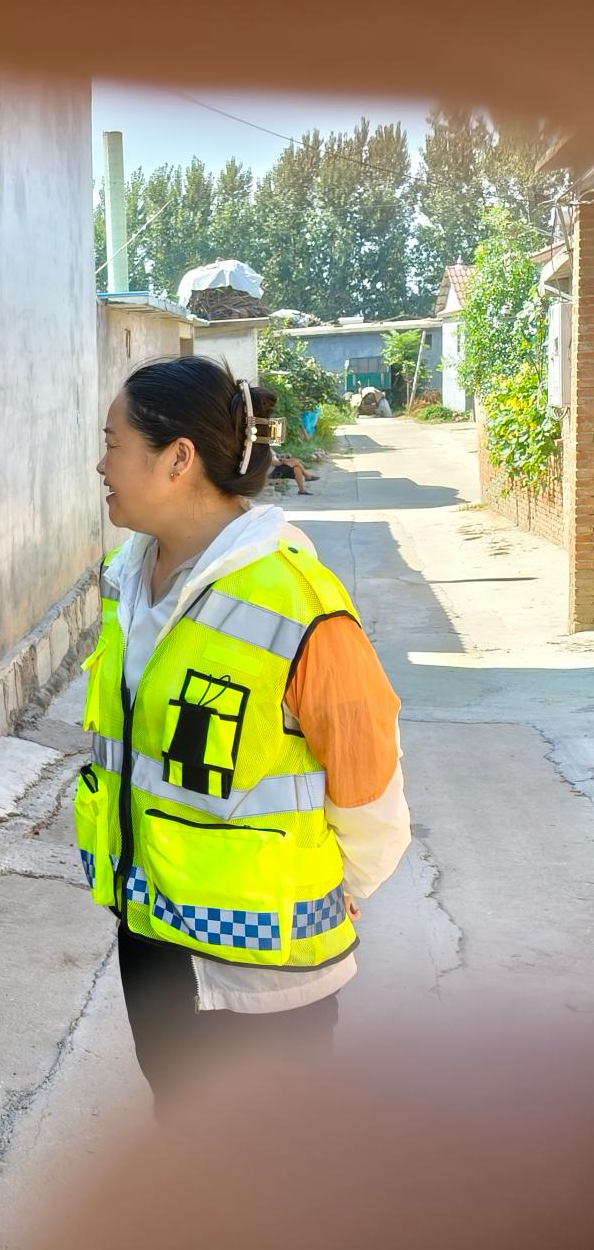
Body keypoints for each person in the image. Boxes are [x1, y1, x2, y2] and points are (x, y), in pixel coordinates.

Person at [84, 357, 411, 1107]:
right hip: (153, 937)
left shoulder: (297, 601)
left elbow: (371, 785)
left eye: (113, 443)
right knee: (182, 1138)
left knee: (271, 1165)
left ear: (178, 459)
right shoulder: (125, 579)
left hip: (264, 978)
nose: (102, 465)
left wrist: (335, 887)